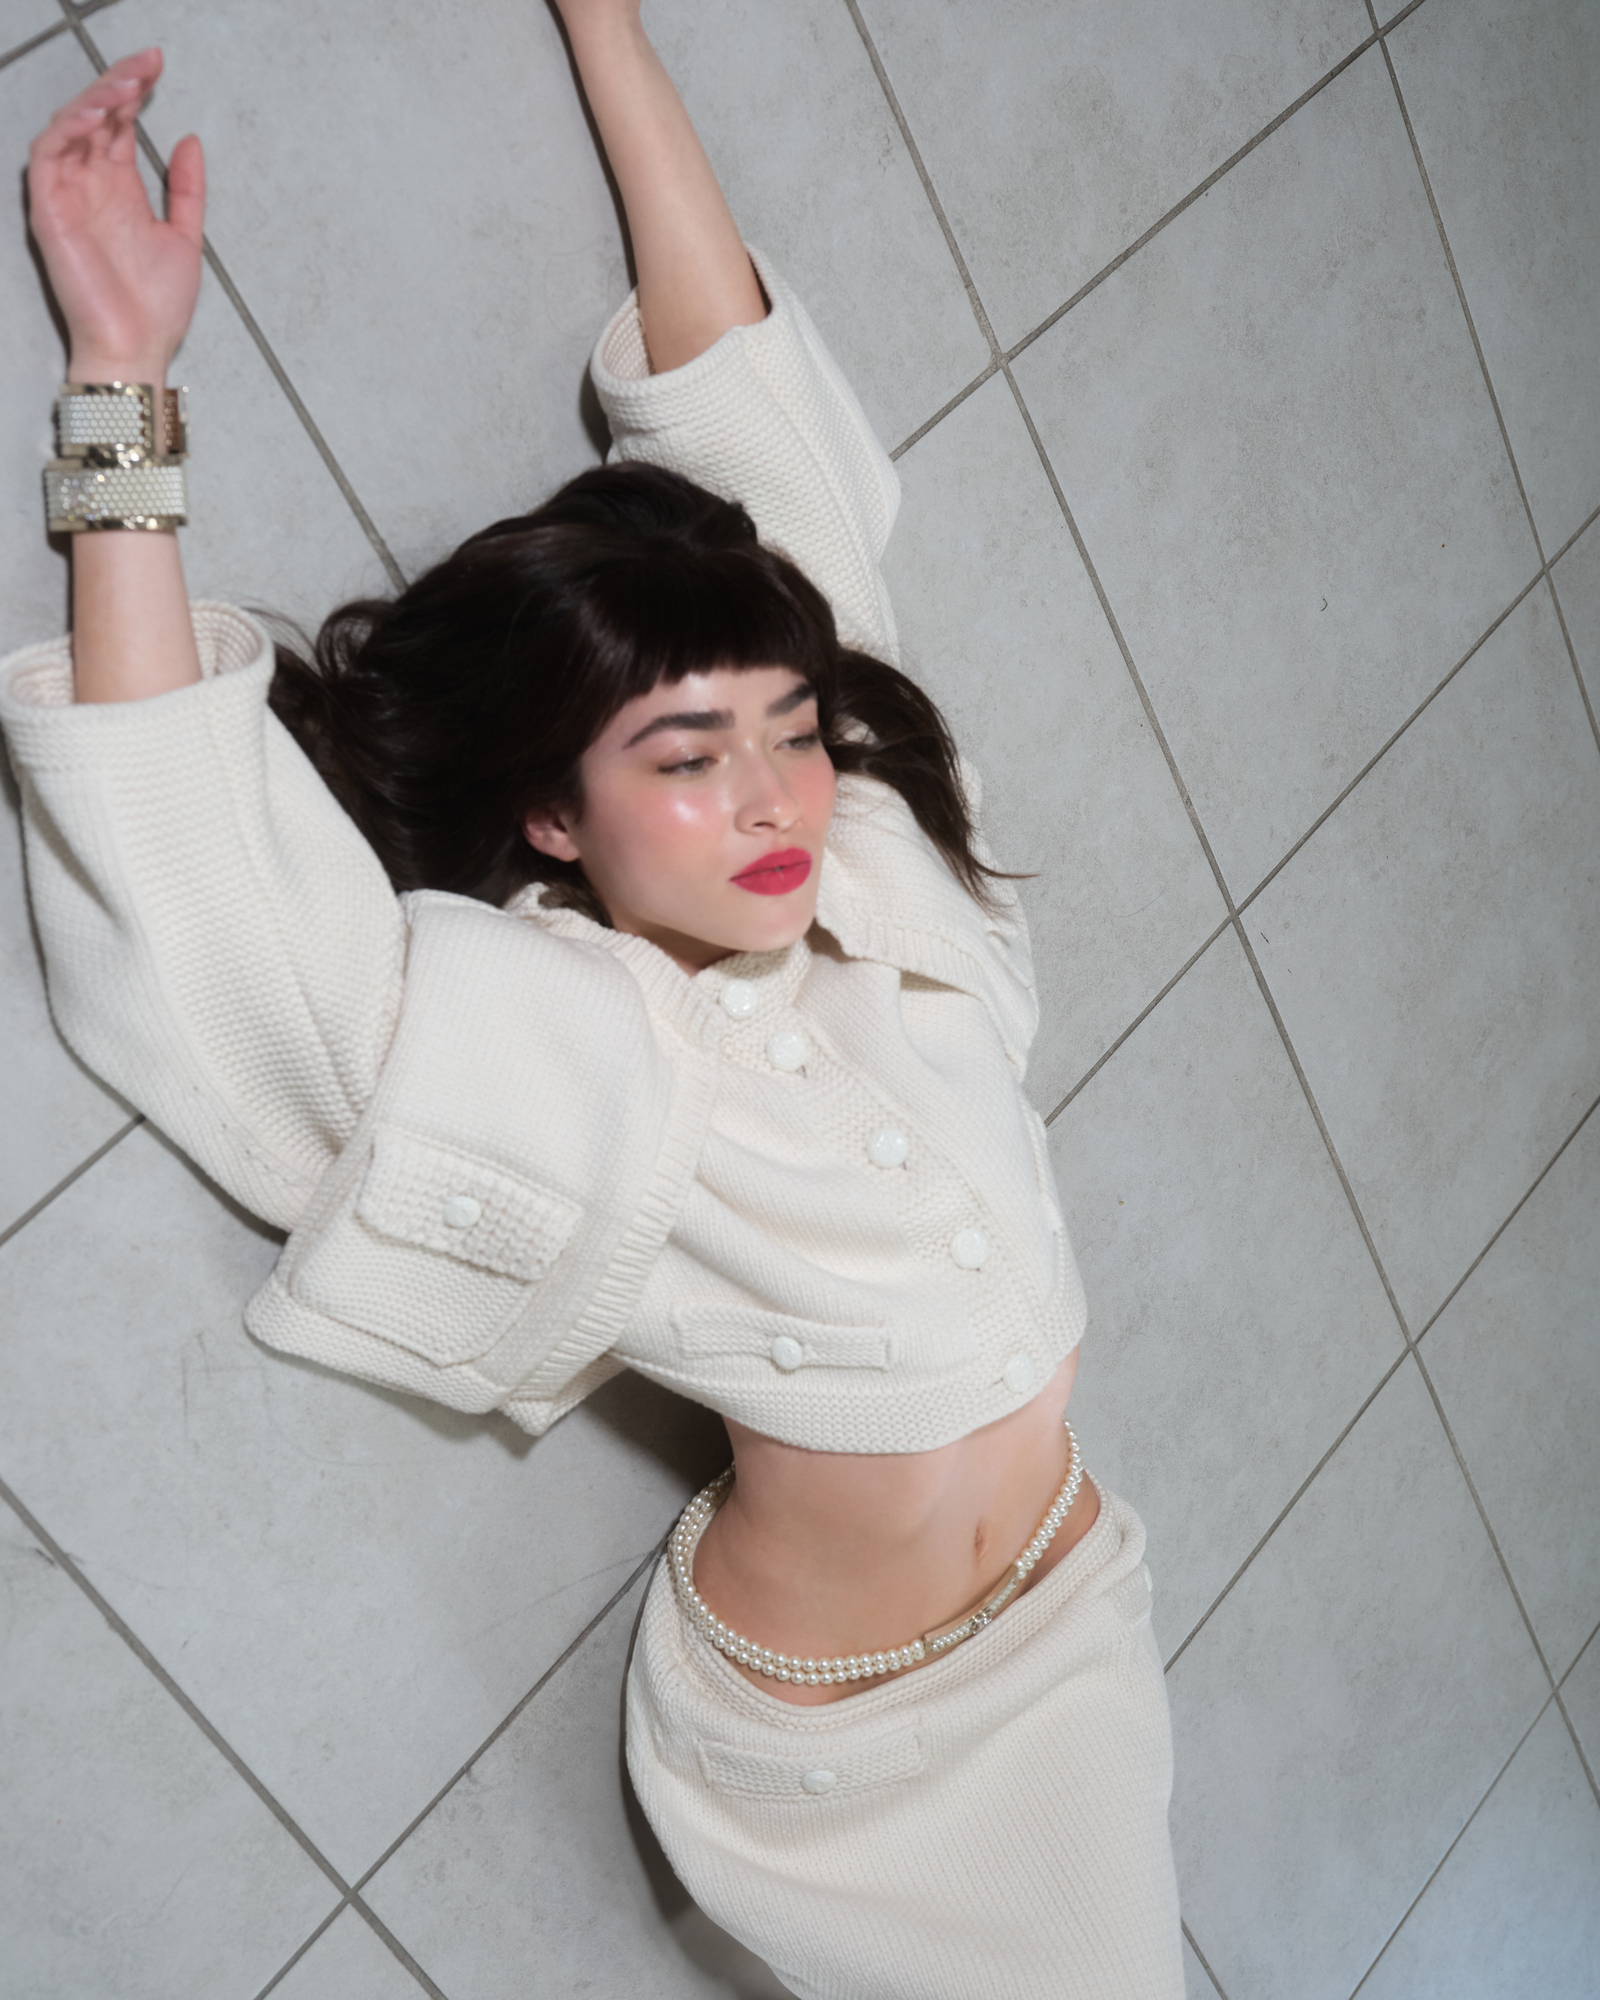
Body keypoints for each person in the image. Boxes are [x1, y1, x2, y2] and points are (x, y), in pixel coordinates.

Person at [6, 6, 1184, 1995]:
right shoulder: (553, 1043)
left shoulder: (872, 862)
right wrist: (120, 378)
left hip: (1075, 1609)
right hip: (853, 1747)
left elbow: (747, 416)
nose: (774, 795)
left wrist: (607, 20)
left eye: (790, 727)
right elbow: (195, 871)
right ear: (553, 814)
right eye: (685, 757)